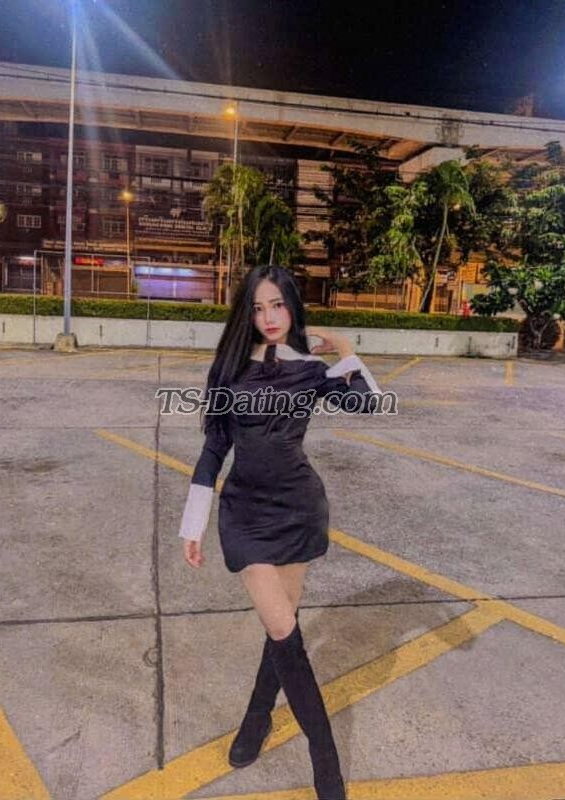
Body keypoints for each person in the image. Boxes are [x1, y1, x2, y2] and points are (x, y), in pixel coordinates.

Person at [177, 265, 382, 800]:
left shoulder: (309, 369)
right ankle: (326, 764)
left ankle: (256, 717)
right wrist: (193, 522)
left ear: (293, 307)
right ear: (246, 313)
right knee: (285, 630)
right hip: (245, 514)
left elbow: (368, 401)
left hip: (298, 509)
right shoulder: (229, 369)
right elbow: (214, 448)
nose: (269, 317)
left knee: (280, 628)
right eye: (258, 307)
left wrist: (344, 348)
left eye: (278, 305)